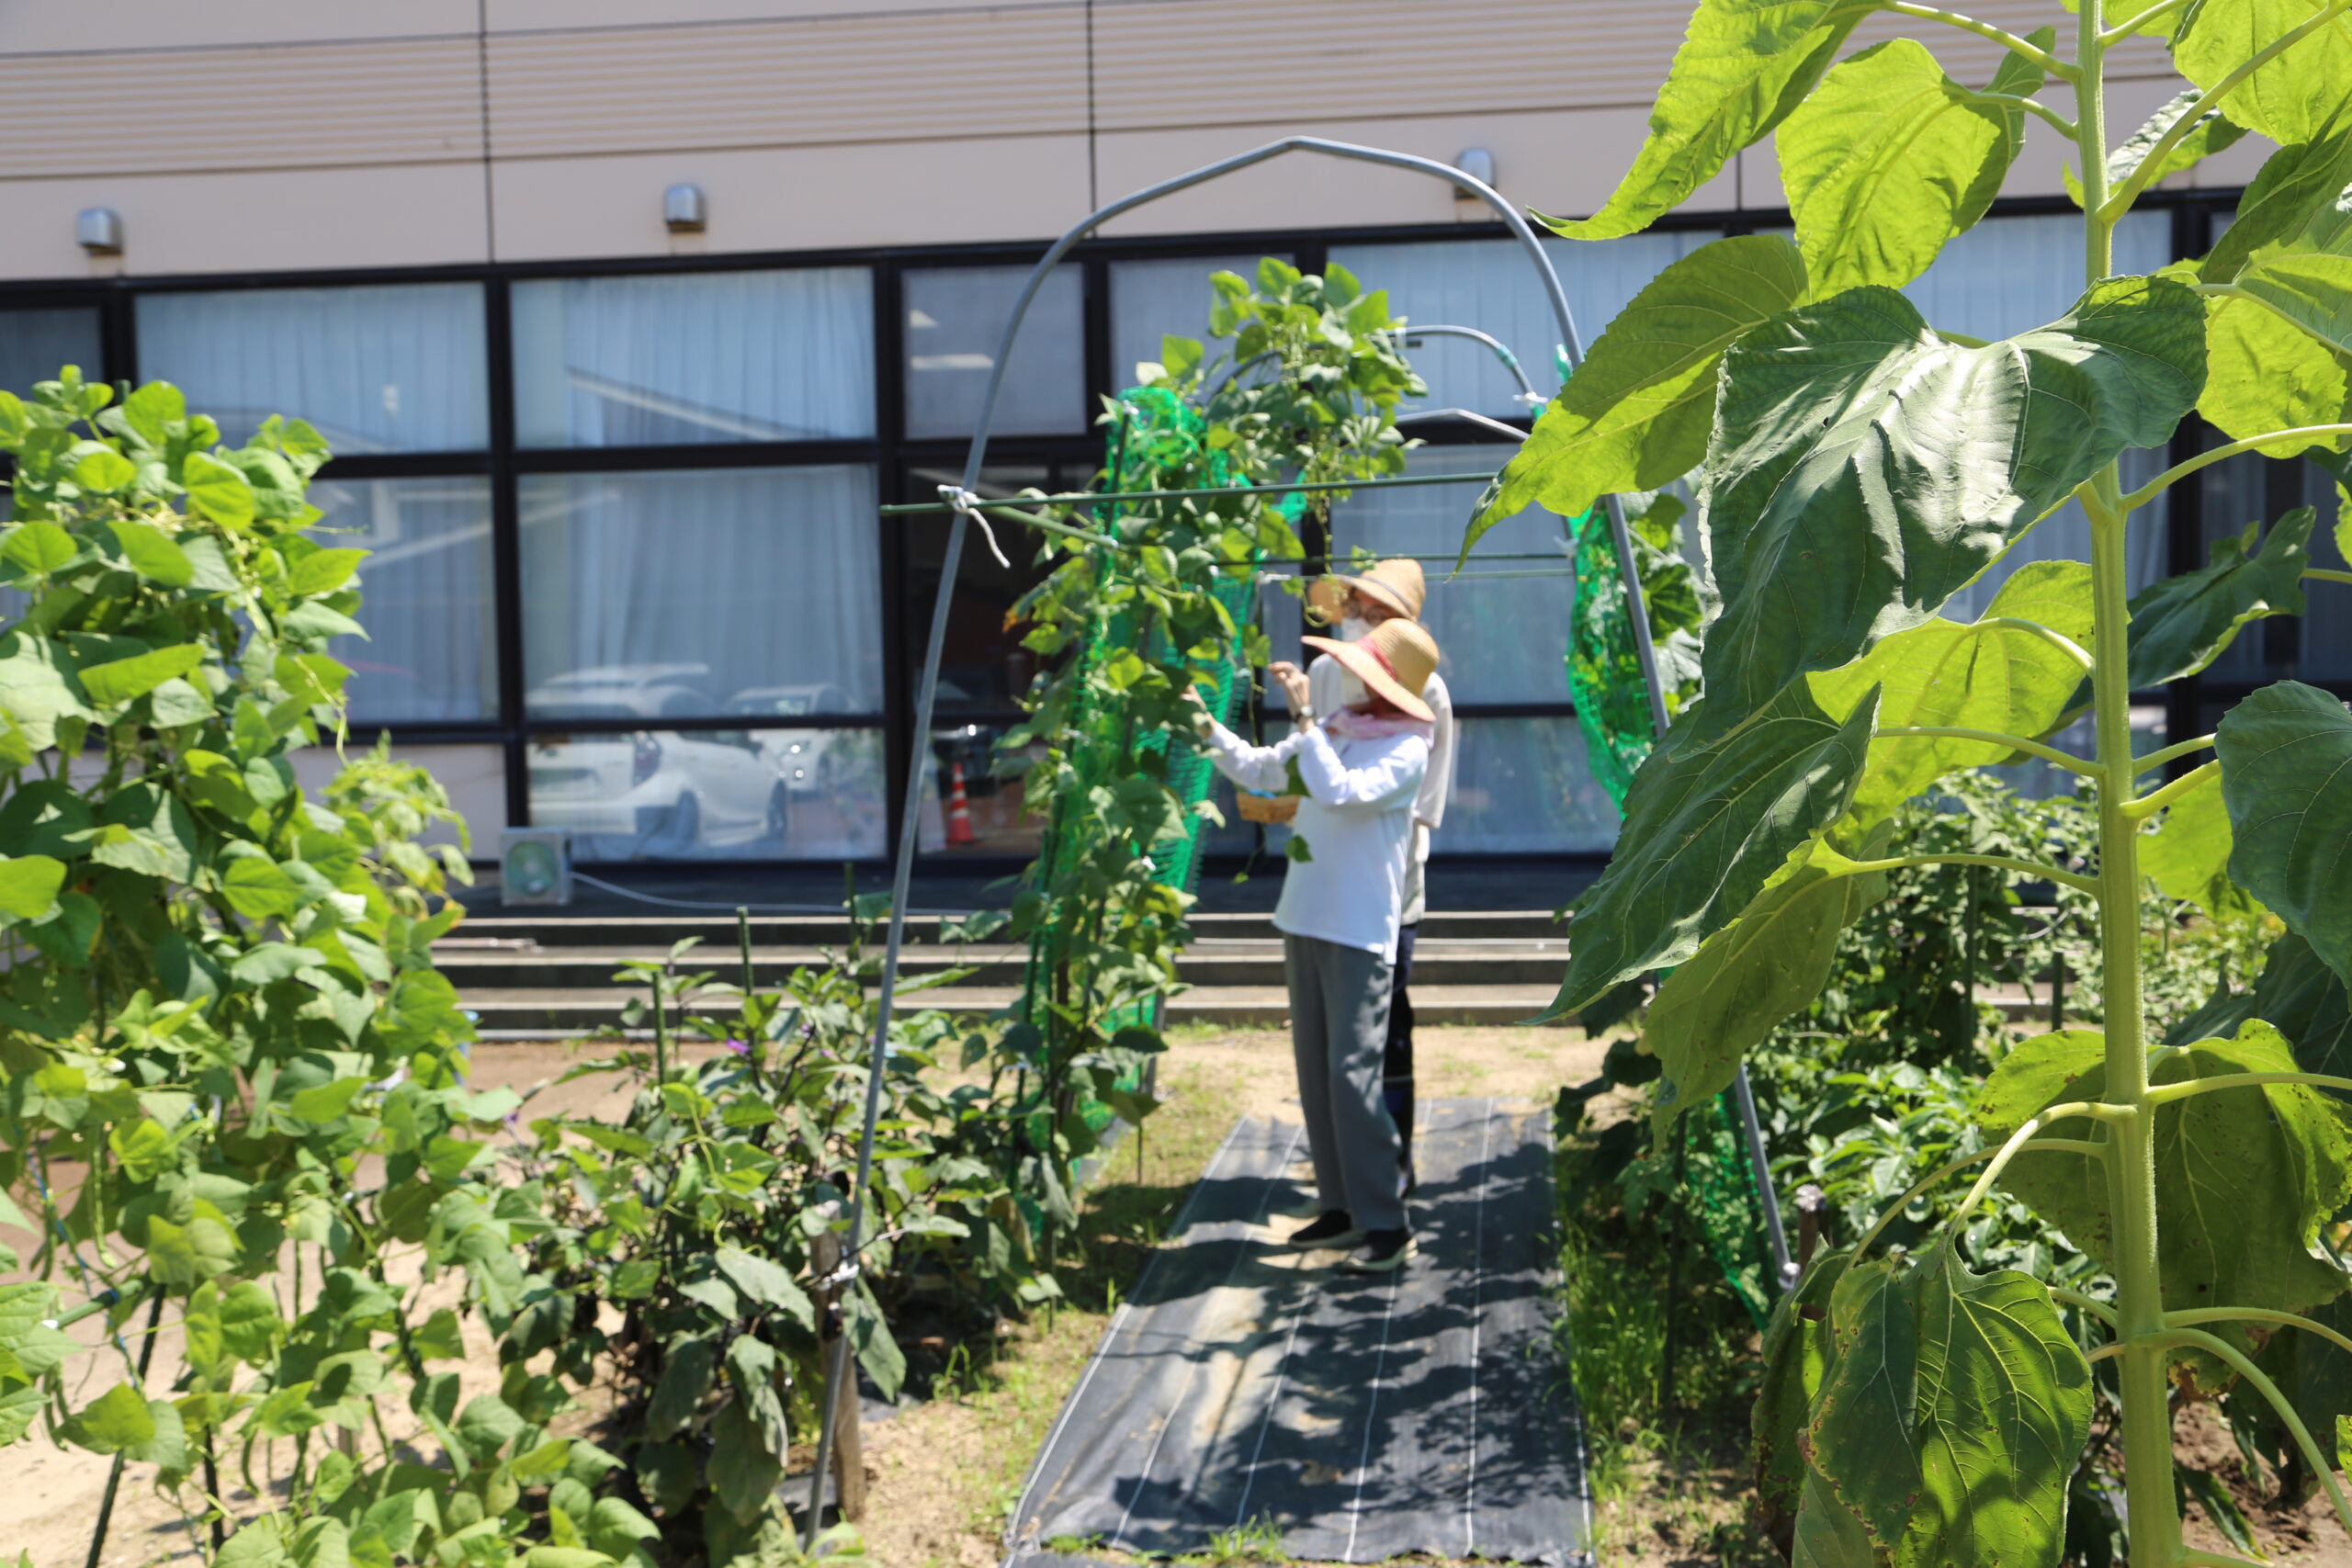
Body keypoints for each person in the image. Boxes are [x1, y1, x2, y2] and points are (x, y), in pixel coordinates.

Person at [1188, 617, 1441, 1274]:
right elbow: (1263, 771)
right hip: (1305, 916)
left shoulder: (1408, 747)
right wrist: (1206, 729)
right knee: (1316, 1070)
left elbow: (1340, 792)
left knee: (1351, 1076)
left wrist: (1303, 717)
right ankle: (1340, 1208)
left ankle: (1386, 1222)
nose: (1349, 674)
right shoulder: (1337, 728)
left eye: (1364, 666)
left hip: (1359, 927)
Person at [1306, 559, 1455, 1197]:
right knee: (1332, 1036)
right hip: (1326, 883)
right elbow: (1307, 769)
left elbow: (1423, 804)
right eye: (1360, 605)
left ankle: (1393, 1172)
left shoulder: (1430, 692)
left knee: (1386, 1026)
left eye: (1379, 611)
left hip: (1390, 887)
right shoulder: (1320, 673)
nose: (1366, 617)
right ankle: (1348, 1177)